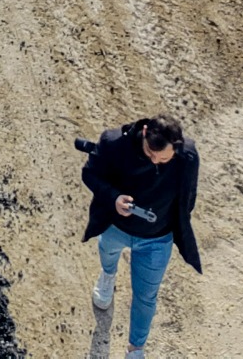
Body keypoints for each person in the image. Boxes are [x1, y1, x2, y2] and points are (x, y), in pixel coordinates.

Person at [82, 117, 201, 359]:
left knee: (146, 297)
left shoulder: (187, 157)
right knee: (108, 252)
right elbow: (89, 174)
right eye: (150, 153)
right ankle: (108, 276)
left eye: (163, 158)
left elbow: (188, 196)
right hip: (116, 227)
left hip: (157, 241)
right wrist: (113, 197)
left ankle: (136, 350)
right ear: (144, 132)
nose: (154, 160)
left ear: (176, 147)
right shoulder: (114, 142)